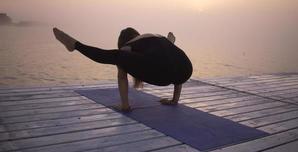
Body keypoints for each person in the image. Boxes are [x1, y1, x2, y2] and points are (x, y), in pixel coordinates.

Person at [53, 27, 193, 112]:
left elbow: (121, 76)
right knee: (170, 57)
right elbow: (174, 62)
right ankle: (175, 99)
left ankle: (76, 45)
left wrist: (125, 106)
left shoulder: (129, 45)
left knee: (115, 55)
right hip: (186, 70)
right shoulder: (152, 39)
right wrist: (174, 100)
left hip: (161, 74)